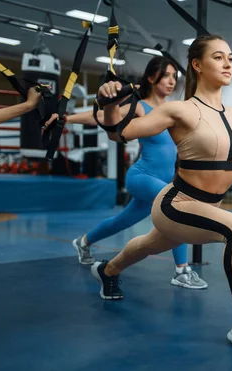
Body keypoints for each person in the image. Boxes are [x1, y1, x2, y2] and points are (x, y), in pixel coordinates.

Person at [92, 34, 232, 355]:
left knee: (149, 244)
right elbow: (122, 132)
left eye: (229, 56)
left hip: (206, 208)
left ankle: (108, 270)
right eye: (218, 57)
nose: (228, 62)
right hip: (177, 204)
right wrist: (106, 104)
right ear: (197, 65)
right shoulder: (179, 110)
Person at [62, 57, 207, 289]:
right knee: (177, 207)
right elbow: (102, 117)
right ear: (151, 78)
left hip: (164, 179)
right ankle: (182, 271)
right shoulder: (140, 106)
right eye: (166, 76)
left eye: (174, 77)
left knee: (122, 221)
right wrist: (67, 119)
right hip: (141, 177)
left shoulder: (174, 109)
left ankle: (83, 242)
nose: (171, 81)